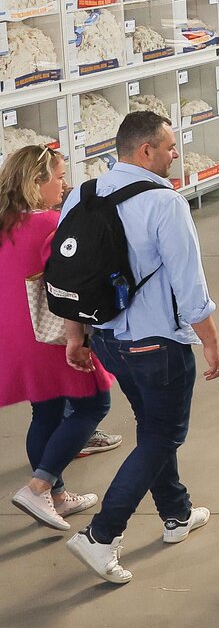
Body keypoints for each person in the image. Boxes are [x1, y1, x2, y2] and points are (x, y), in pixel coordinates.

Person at [60, 113, 219, 586]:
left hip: (109, 341)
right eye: (170, 147)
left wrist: (76, 333)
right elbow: (189, 285)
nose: (176, 154)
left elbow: (74, 275)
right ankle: (100, 536)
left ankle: (176, 513)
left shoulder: (83, 194)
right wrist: (210, 343)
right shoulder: (164, 203)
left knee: (153, 426)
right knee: (162, 434)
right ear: (145, 151)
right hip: (158, 344)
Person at [3, 147, 113, 532]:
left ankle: (59, 496)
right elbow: (69, 285)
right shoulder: (53, 224)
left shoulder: (5, 224)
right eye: (59, 177)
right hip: (52, 336)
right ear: (36, 183)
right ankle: (41, 485)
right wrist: (78, 339)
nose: (64, 184)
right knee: (93, 403)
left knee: (45, 413)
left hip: (16, 336)